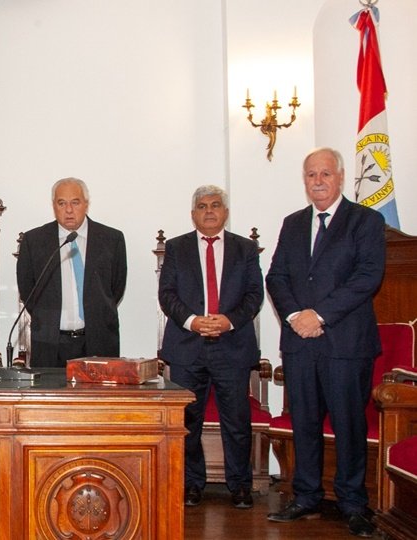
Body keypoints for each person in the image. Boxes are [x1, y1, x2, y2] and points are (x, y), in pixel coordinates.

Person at [265, 147, 385, 538]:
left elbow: (367, 277)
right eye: (311, 175)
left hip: (345, 344)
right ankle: (306, 496)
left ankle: (353, 504)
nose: (318, 181)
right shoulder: (293, 223)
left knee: (349, 425)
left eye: (325, 174)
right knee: (304, 422)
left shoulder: (365, 220)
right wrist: (295, 317)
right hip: (300, 345)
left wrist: (318, 316)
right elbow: (276, 277)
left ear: (341, 176)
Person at [158, 185, 264, 509]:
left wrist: (228, 321)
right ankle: (192, 483)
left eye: (215, 205)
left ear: (225, 212)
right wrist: (192, 321)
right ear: (193, 214)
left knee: (237, 420)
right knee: (187, 421)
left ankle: (240, 485)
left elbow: (254, 295)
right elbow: (167, 294)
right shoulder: (176, 248)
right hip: (188, 346)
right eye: (202, 206)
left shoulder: (245, 249)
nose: (209, 211)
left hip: (232, 345)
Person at [16, 177, 127, 367]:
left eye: (75, 202)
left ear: (86, 204)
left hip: (99, 341)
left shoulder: (111, 239)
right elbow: (28, 290)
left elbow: (116, 288)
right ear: (54, 206)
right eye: (62, 203)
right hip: (49, 343)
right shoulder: (34, 241)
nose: (68, 210)